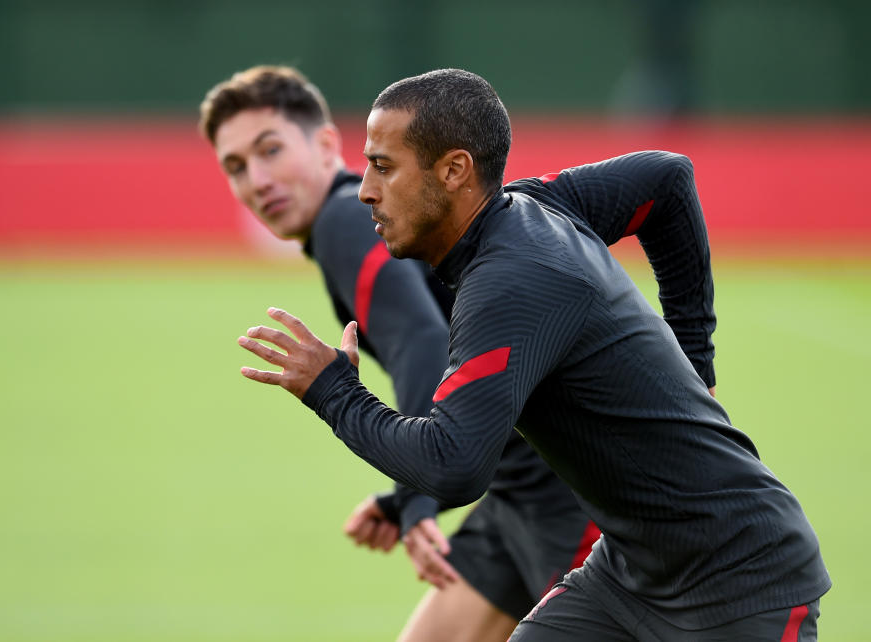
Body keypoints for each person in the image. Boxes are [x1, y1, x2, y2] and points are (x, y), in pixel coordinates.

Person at [235, 68, 829, 640]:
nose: (364, 189)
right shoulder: (535, 204)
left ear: (454, 171)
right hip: (629, 575)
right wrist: (697, 364)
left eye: (384, 168)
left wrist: (332, 392)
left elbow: (453, 465)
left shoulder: (507, 281)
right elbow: (665, 179)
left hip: (740, 581)